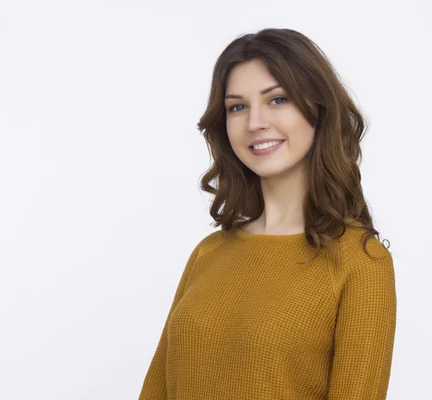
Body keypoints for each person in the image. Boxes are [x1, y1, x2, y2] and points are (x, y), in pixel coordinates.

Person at [138, 28, 396, 400]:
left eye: (277, 100)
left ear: (318, 110)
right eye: (237, 107)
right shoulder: (209, 252)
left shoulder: (360, 262)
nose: (254, 122)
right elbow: (156, 391)